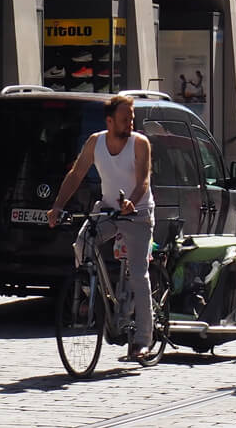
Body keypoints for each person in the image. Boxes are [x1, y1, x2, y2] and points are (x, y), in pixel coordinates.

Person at [46, 94, 155, 358]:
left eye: (131, 118)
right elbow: (76, 175)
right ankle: (98, 296)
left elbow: (144, 181)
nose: (130, 123)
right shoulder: (96, 142)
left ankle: (143, 339)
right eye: (124, 119)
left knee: (139, 275)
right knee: (83, 245)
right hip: (107, 209)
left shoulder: (140, 143)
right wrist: (58, 206)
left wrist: (132, 202)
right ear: (109, 120)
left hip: (137, 213)